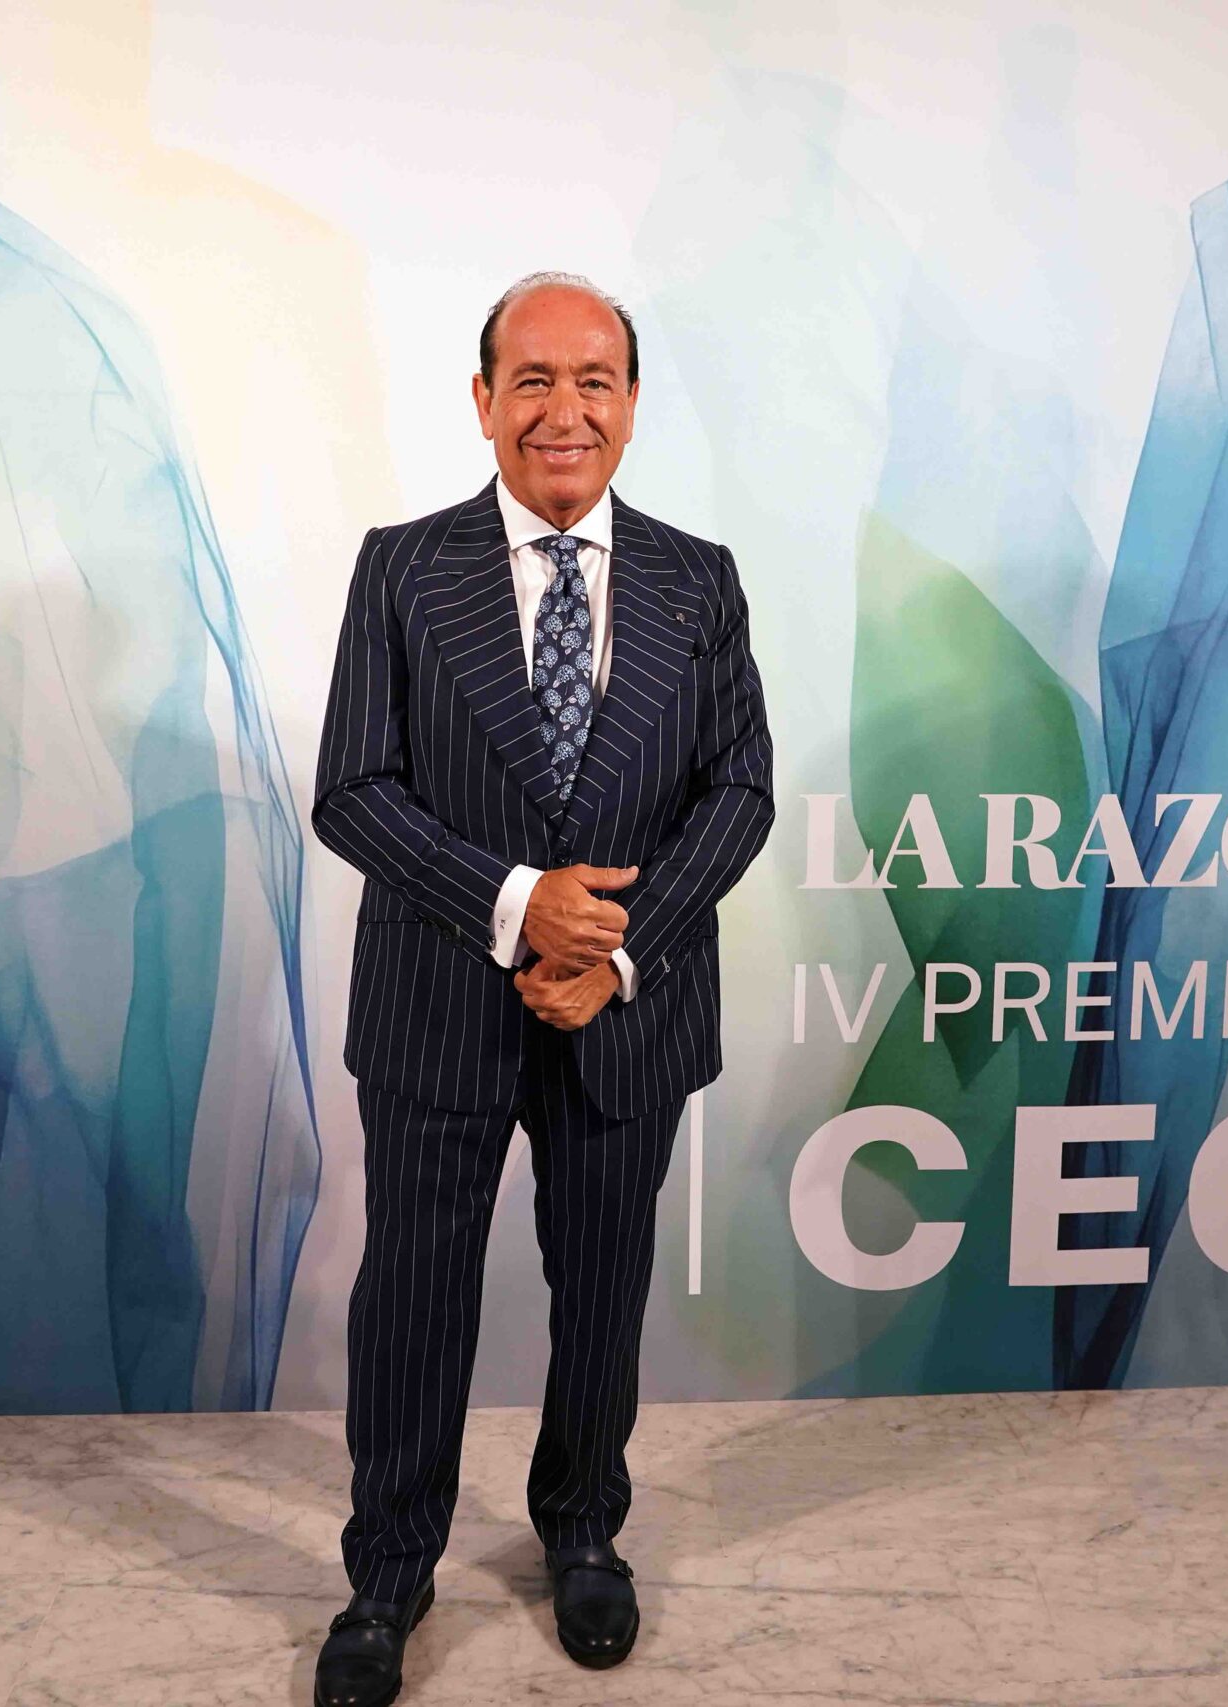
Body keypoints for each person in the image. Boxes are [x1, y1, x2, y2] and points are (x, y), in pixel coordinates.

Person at [307, 273, 774, 1705]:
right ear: (483, 400)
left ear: (630, 406)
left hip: (629, 1012)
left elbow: (739, 793)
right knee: (414, 1299)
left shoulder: (700, 579)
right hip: (438, 1009)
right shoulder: (402, 568)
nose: (562, 410)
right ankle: (387, 1577)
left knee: (605, 1293)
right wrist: (521, 912)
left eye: (593, 381)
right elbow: (353, 790)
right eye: (532, 379)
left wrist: (615, 954)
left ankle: (583, 1533)